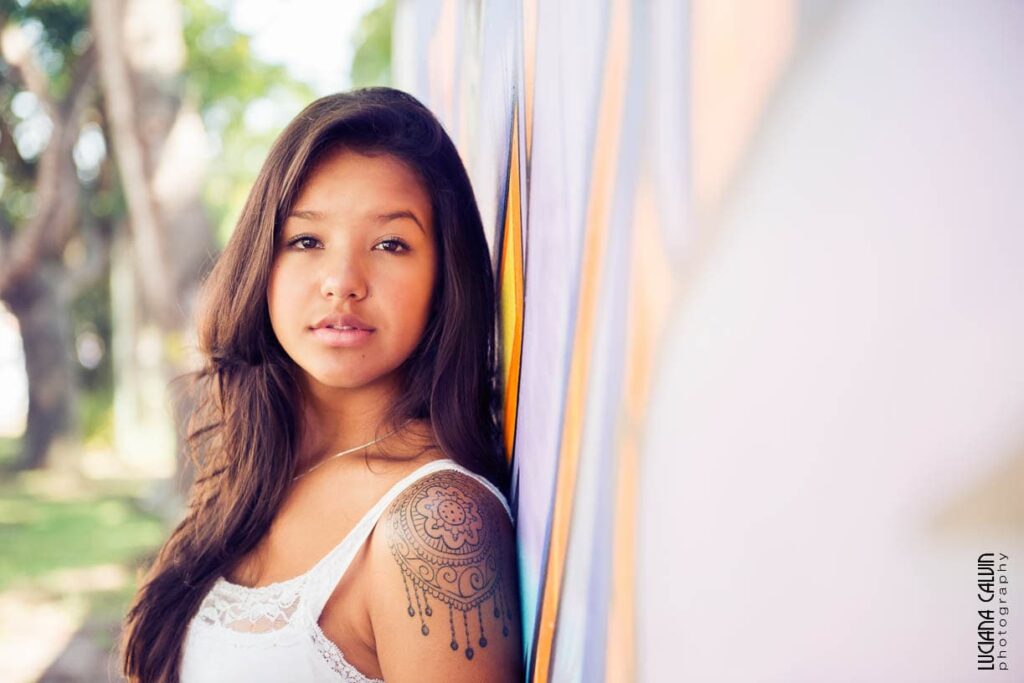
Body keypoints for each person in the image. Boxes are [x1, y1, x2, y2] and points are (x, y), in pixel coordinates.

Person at [119, 87, 521, 683]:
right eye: (306, 241)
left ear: (445, 276)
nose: (342, 281)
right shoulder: (257, 472)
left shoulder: (434, 525)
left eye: (391, 244)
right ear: (264, 260)